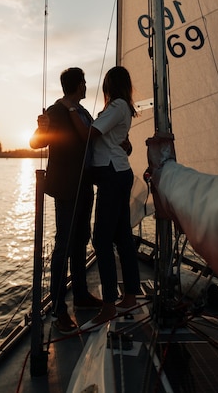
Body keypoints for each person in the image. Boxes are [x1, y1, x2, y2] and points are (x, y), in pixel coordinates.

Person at [59, 66, 141, 328]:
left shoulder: (117, 106)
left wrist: (69, 108)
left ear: (111, 85)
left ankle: (109, 305)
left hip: (112, 177)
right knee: (122, 236)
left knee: (102, 239)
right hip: (116, 174)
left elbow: (87, 136)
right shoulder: (119, 108)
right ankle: (129, 297)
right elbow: (118, 140)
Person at [30, 67, 102, 334]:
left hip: (84, 185)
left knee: (81, 239)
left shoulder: (82, 112)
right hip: (66, 187)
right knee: (64, 244)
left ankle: (81, 295)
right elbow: (36, 143)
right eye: (84, 82)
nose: (86, 86)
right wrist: (41, 129)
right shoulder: (57, 111)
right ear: (77, 85)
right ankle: (59, 308)